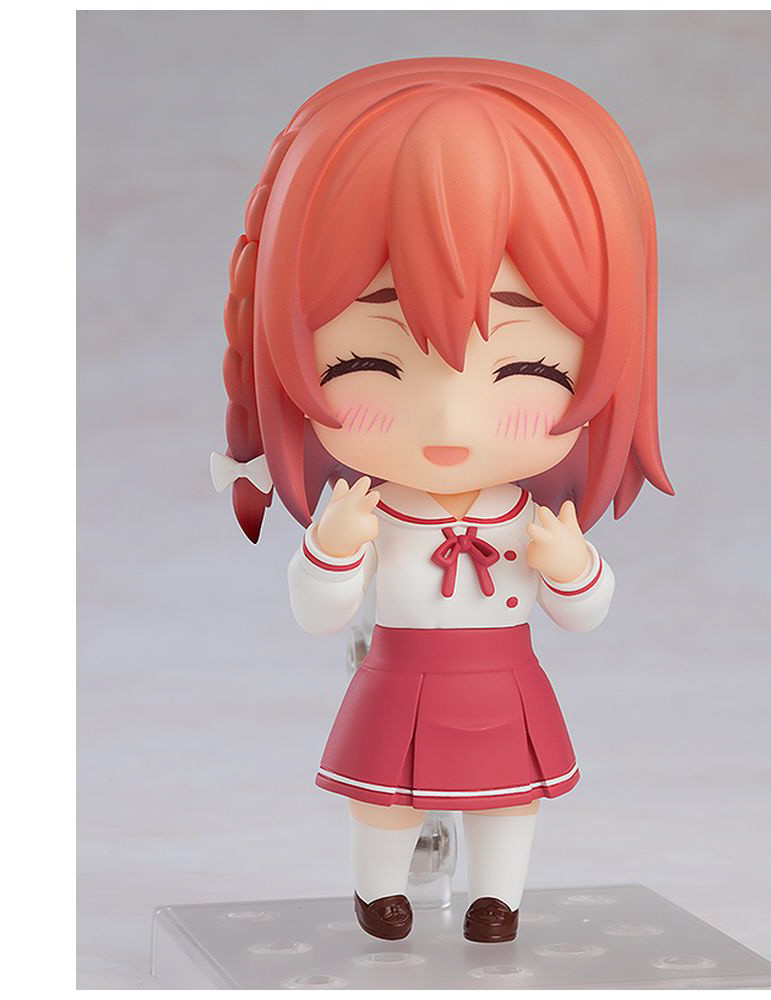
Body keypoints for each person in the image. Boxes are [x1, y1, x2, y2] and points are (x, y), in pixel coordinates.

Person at [212, 57, 672, 942]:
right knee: (384, 799)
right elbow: (318, 614)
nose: (450, 418)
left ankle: (500, 898)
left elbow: (586, 614)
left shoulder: (527, 520)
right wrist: (334, 548)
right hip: (398, 672)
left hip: (505, 676)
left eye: (527, 366)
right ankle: (377, 892)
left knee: (510, 799)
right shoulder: (376, 511)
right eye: (369, 362)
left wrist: (571, 565)